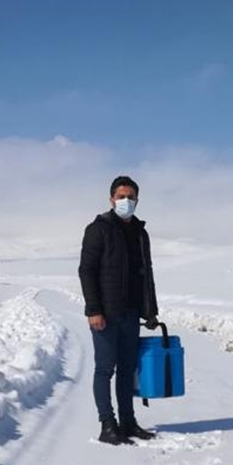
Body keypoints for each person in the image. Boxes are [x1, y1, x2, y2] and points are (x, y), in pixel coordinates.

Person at [78, 175, 161, 445]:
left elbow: (146, 274)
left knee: (127, 369)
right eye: (121, 196)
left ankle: (128, 422)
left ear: (137, 199)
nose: (126, 200)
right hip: (105, 313)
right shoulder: (98, 229)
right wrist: (94, 310)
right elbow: (87, 271)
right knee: (105, 369)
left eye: (131, 196)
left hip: (131, 312)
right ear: (111, 199)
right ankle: (107, 425)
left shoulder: (140, 233)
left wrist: (150, 310)